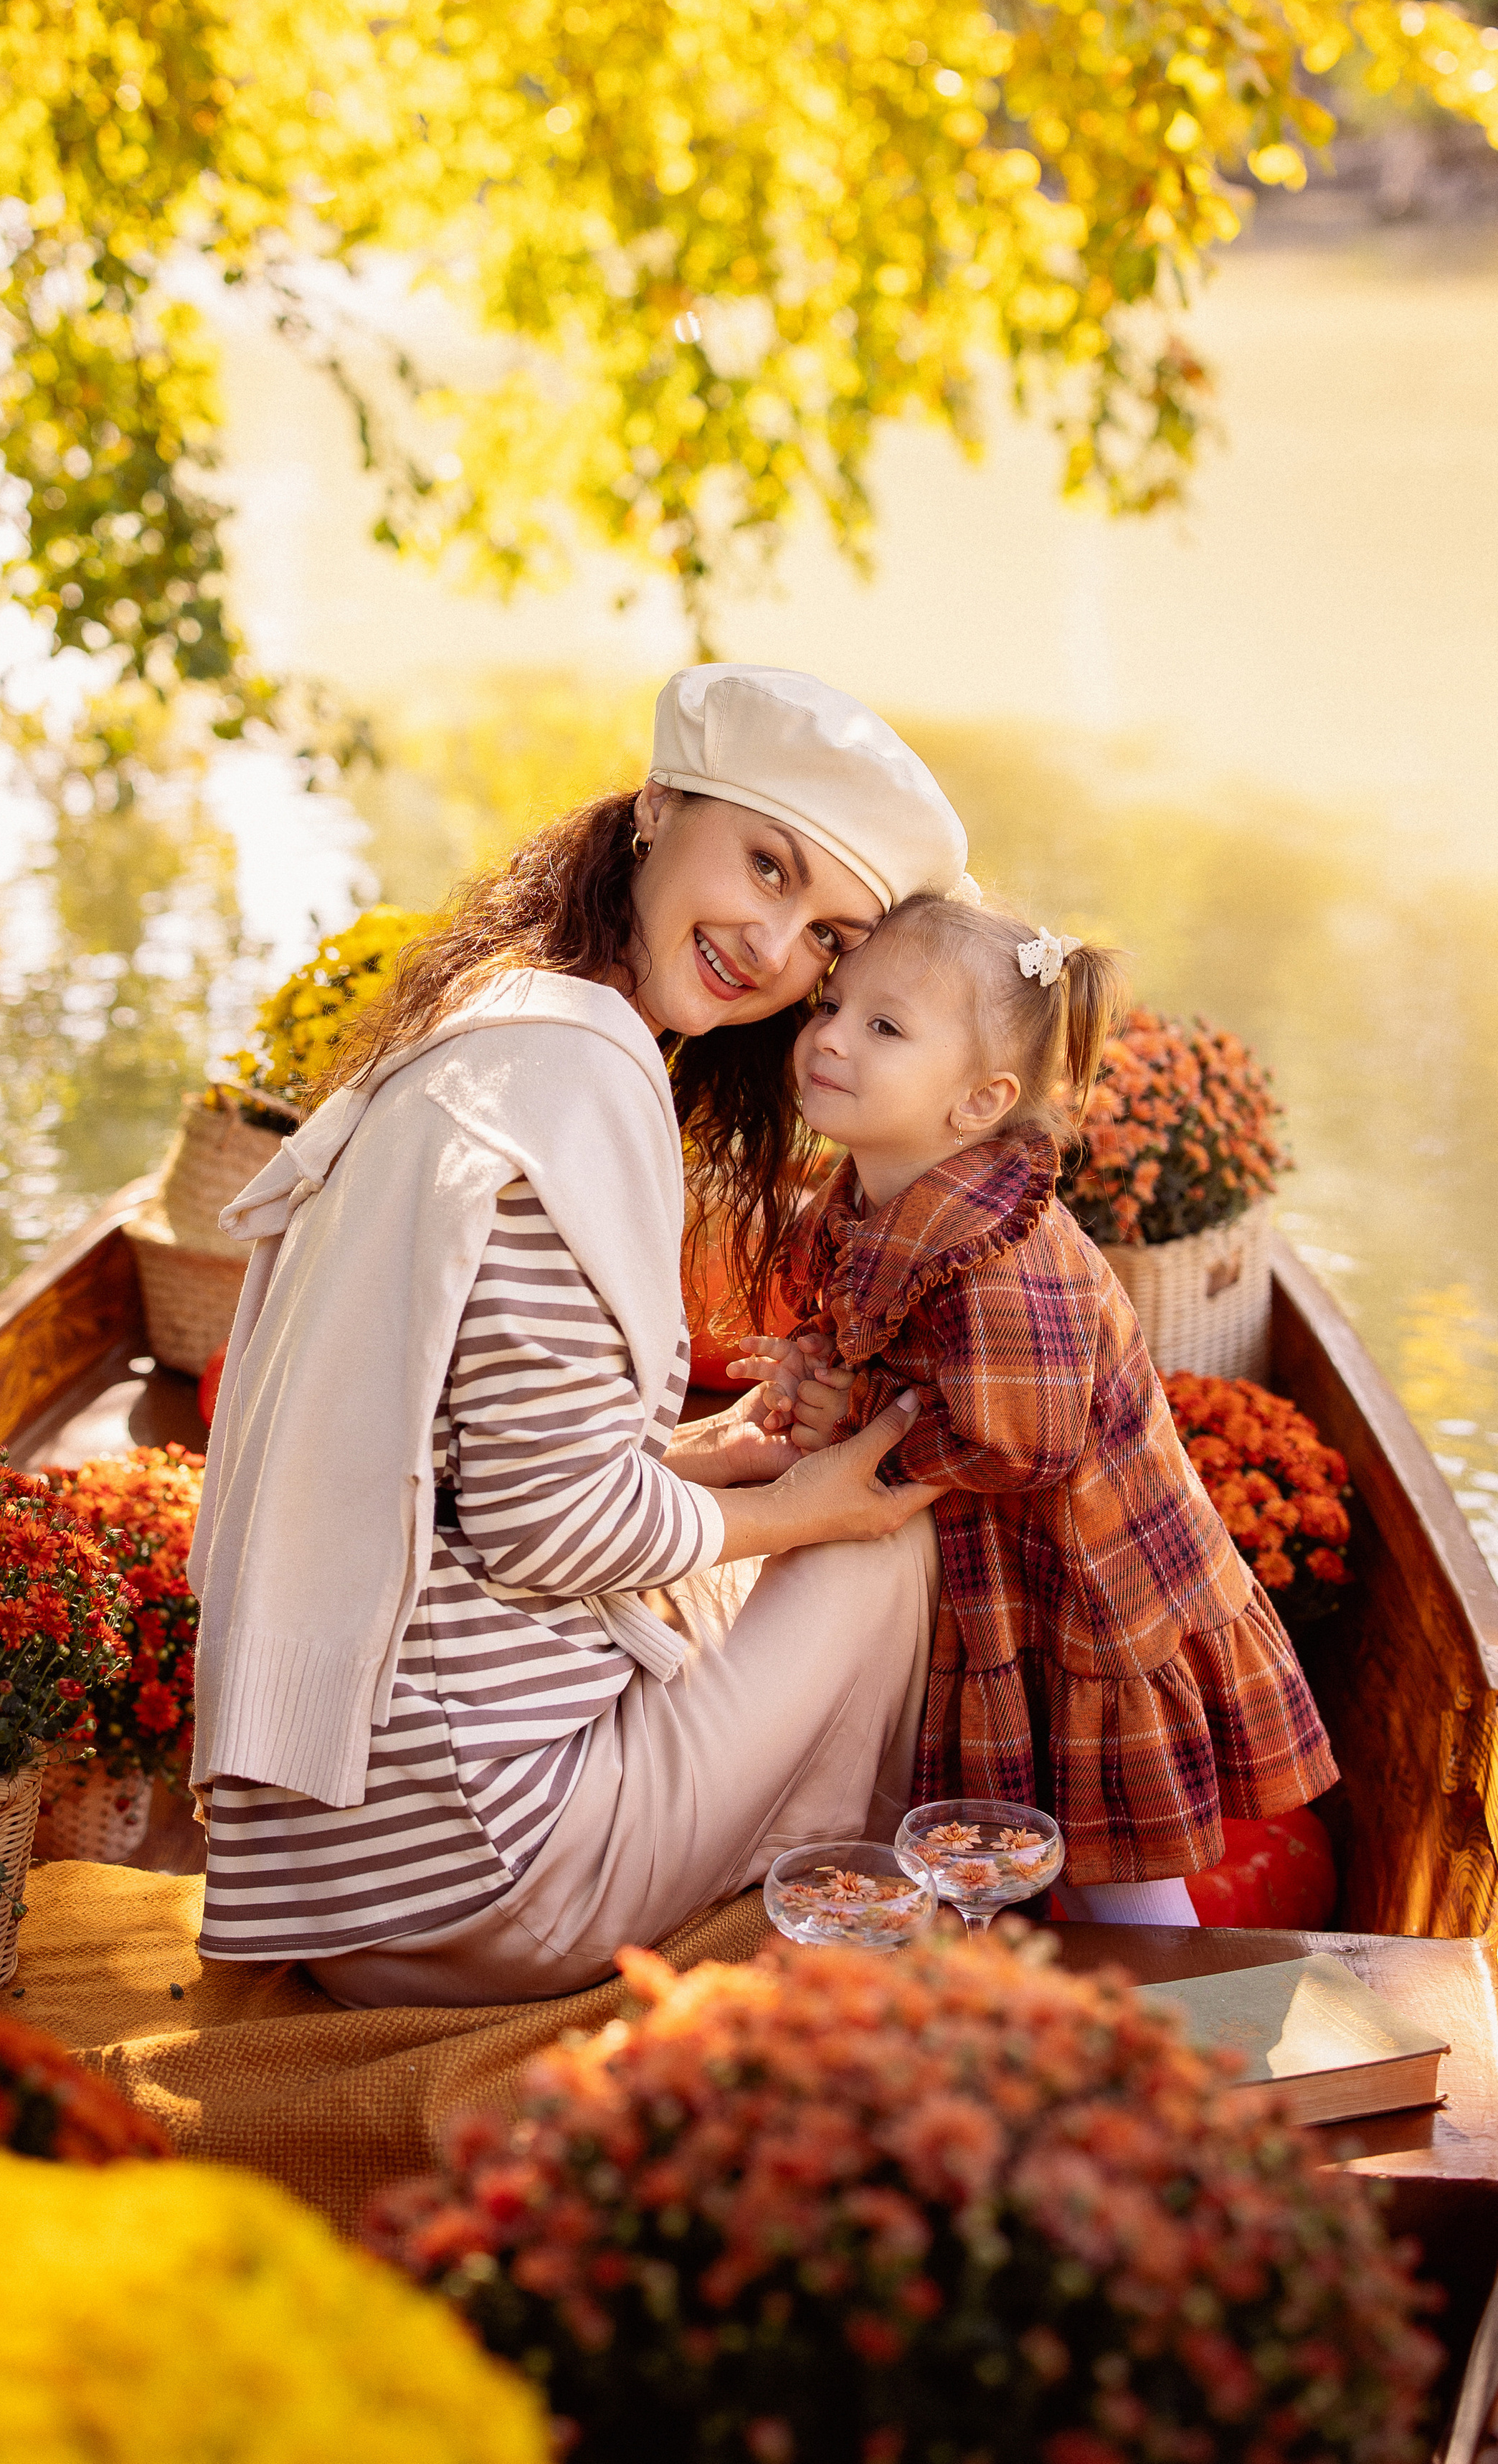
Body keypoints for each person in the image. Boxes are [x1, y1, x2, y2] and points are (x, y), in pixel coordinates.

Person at [186, 664, 968, 2004]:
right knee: (881, 1551)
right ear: (658, 806)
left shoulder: (491, 1016)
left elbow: (464, 1479)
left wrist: (706, 1455)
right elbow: (546, 1535)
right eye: (769, 868)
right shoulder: (582, 1076)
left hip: (345, 1861)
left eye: (830, 939)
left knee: (777, 1531)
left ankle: (779, 1886)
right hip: (479, 1879)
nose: (778, 954)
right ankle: (815, 1938)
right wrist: (809, 1515)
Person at [733, 891, 1338, 1925]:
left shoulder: (1001, 1258)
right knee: (1009, 1822)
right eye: (830, 1006)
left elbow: (1027, 1440)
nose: (828, 1037)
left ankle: (1176, 2017)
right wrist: (816, 1366)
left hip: (1094, 1583)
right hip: (999, 1570)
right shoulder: (879, 1187)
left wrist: (864, 1406)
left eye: (882, 1027)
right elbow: (859, 1317)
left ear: (979, 1102)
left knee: (1121, 1865)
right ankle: (1007, 1964)